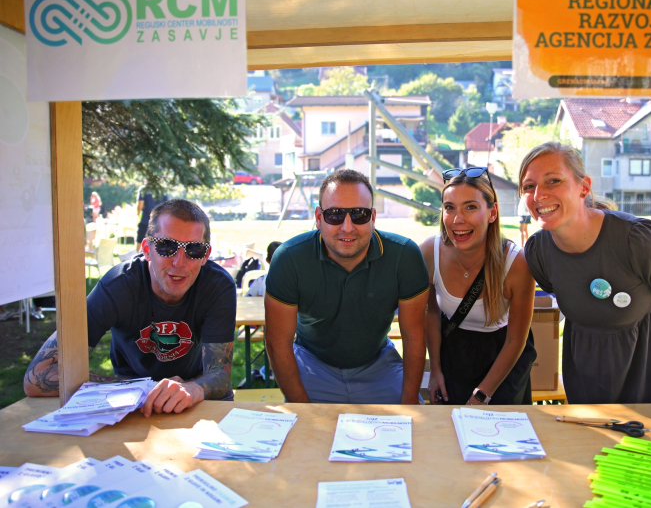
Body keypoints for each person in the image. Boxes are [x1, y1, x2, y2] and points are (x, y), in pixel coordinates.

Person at [519, 142, 651, 404]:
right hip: (591, 389)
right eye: (529, 186)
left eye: (553, 181)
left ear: (584, 187)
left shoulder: (640, 241)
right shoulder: (539, 252)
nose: (539, 195)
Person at [24, 199, 236, 417]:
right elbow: (37, 376)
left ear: (206, 255)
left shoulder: (217, 286)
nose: (179, 262)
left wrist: (193, 389)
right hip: (130, 404)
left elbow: (220, 374)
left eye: (194, 250)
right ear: (147, 250)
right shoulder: (118, 287)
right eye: (167, 247)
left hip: (197, 402)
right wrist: (142, 389)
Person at [264, 169, 429, 404]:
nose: (347, 227)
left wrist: (409, 401)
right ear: (318, 218)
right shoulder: (289, 258)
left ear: (373, 218)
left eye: (360, 214)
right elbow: (278, 342)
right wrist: (302, 407)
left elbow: (414, 335)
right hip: (311, 363)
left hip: (379, 364)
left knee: (414, 424)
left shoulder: (404, 256)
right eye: (335, 215)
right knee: (304, 427)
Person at [421, 167, 537, 406]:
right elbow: (431, 313)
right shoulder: (429, 252)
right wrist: (435, 370)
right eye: (449, 207)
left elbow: (516, 340)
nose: (457, 219)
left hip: (503, 359)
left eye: (470, 207)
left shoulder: (517, 263)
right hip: (453, 352)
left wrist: (482, 395)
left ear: (492, 213)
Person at [136, 183, 167, 252]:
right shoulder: (162, 189)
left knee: (139, 246)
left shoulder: (144, 189)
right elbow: (167, 206)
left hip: (145, 222)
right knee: (157, 248)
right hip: (159, 224)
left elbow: (139, 206)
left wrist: (138, 213)